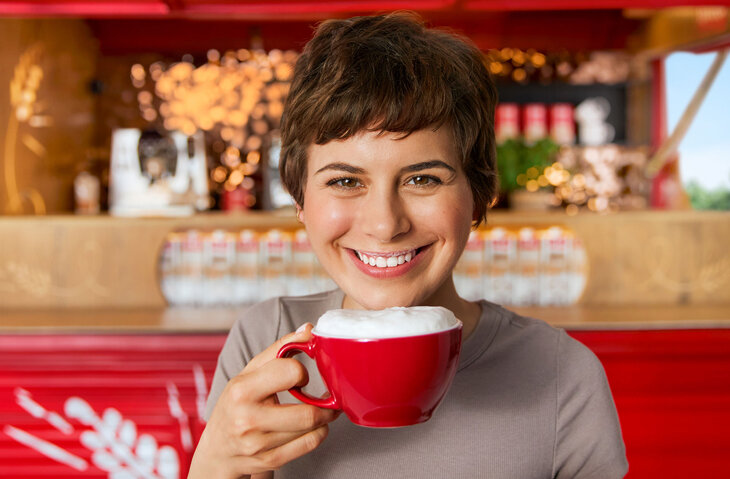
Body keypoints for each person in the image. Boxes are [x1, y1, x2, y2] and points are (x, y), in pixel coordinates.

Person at [189, 12, 628, 479]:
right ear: (299, 201)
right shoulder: (266, 341)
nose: (384, 224)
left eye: (423, 178)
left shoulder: (563, 375)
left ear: (478, 196)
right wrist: (215, 464)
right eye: (344, 180)